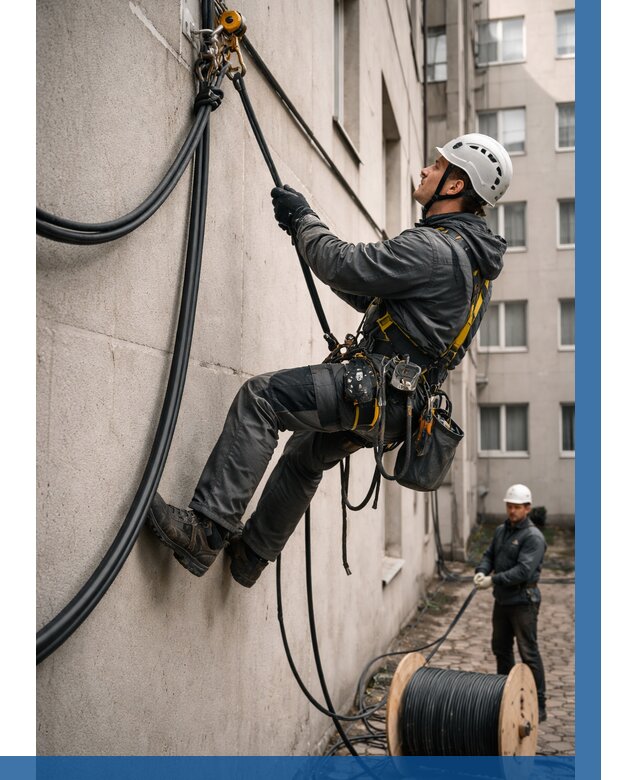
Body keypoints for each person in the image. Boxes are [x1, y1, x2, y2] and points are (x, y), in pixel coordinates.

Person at [146, 133, 512, 589]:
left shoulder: (433, 249)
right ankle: (251, 557)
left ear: (455, 186)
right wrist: (306, 240)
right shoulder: (472, 266)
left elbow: (343, 264)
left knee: (262, 398)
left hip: (372, 391)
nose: (423, 171)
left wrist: (303, 220)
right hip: (395, 410)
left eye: (436, 167)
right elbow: (367, 292)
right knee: (305, 453)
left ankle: (205, 531)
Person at [474, 484, 548, 721]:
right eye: (509, 506)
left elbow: (523, 571)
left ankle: (540, 703)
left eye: (517, 507)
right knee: (501, 648)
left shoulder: (533, 537)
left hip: (523, 601)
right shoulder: (501, 530)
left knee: (529, 652)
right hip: (503, 600)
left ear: (527, 508)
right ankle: (505, 697)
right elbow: (489, 555)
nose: (512, 511)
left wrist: (492, 580)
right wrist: (481, 571)